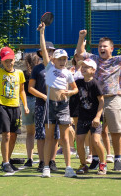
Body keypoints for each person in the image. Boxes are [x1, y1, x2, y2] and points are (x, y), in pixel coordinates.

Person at [76, 29, 121, 171]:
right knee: (94, 132)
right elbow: (80, 53)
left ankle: (117, 158)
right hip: (94, 101)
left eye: (104, 46)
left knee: (116, 131)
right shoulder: (93, 59)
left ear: (111, 48)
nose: (101, 48)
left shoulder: (119, 60)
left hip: (113, 99)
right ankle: (95, 159)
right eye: (100, 46)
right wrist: (81, 37)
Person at [38, 22, 79, 178]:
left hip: (63, 106)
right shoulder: (49, 68)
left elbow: (75, 89)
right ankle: (46, 167)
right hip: (50, 105)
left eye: (64, 59)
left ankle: (68, 168)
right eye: (59, 59)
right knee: (49, 137)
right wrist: (42, 33)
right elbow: (43, 49)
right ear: (53, 60)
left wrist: (69, 93)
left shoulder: (68, 72)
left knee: (65, 138)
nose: (62, 61)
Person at [0, 47, 29, 173]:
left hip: (16, 107)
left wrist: (25, 105)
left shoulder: (19, 73)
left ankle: (8, 161)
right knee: (7, 134)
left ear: (14, 60)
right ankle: (5, 162)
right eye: (5, 61)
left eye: (10, 60)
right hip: (3, 106)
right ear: (2, 62)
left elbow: (22, 91)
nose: (8, 63)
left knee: (14, 135)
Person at [28, 41, 60, 173]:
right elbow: (30, 88)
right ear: (41, 53)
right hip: (41, 106)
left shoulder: (58, 67)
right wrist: (43, 96)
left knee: (55, 134)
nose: (49, 53)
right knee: (41, 134)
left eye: (51, 51)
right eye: (46, 50)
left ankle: (52, 161)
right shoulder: (37, 69)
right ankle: (42, 161)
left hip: (56, 105)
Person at [74, 59, 107, 175]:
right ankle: (83, 165)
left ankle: (103, 164)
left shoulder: (95, 84)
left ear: (93, 70)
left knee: (96, 141)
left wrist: (97, 117)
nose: (83, 69)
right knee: (79, 141)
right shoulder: (78, 82)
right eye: (82, 66)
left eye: (86, 67)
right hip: (83, 117)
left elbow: (101, 102)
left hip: (95, 118)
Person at [21, 53, 40, 167]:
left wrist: (25, 105)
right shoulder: (40, 72)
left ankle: (29, 158)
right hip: (39, 101)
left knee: (30, 133)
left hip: (26, 102)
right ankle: (43, 159)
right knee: (41, 133)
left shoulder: (23, 74)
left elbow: (21, 91)